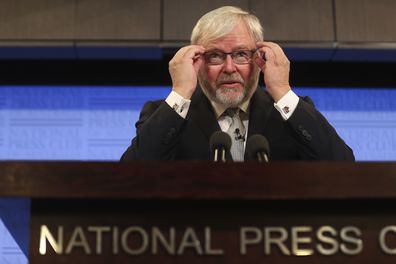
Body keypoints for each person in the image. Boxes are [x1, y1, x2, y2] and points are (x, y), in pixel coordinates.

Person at [121, 6, 354, 161]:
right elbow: (130, 176)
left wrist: (282, 91)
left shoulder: (291, 113)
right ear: (196, 61)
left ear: (259, 57)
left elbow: (343, 167)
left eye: (241, 54)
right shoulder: (164, 113)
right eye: (215, 56)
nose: (230, 68)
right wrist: (181, 92)